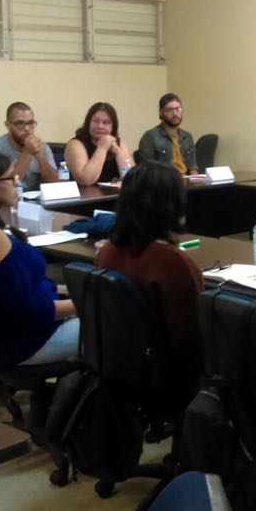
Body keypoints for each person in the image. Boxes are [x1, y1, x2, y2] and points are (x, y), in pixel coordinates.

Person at [0, 148, 79, 366]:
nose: (17, 182)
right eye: (11, 177)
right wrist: (85, 303)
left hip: (18, 333)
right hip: (29, 341)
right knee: (121, 319)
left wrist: (70, 290)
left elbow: (16, 288)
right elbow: (32, 310)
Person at [95, 163, 205, 389]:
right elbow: (192, 337)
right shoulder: (172, 262)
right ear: (172, 204)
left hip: (120, 365)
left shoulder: (107, 251)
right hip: (167, 375)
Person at [0, 101, 58, 191]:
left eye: (30, 123)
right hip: (10, 199)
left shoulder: (42, 147)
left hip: (38, 198)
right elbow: (8, 188)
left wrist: (39, 155)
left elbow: (55, 183)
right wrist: (27, 153)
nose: (27, 128)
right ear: (8, 125)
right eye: (20, 123)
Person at [65, 102, 135, 186]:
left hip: (115, 193)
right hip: (86, 194)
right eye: (95, 121)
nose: (100, 126)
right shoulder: (75, 144)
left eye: (106, 122)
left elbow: (133, 179)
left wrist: (118, 152)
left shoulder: (119, 144)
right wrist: (102, 148)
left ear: (113, 127)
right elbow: (86, 180)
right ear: (88, 123)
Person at [137, 93, 199, 175]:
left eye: (178, 109)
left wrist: (196, 180)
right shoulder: (150, 137)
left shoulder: (187, 137)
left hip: (186, 180)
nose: (175, 114)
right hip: (165, 181)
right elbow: (146, 172)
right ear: (161, 112)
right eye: (169, 110)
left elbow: (193, 167)